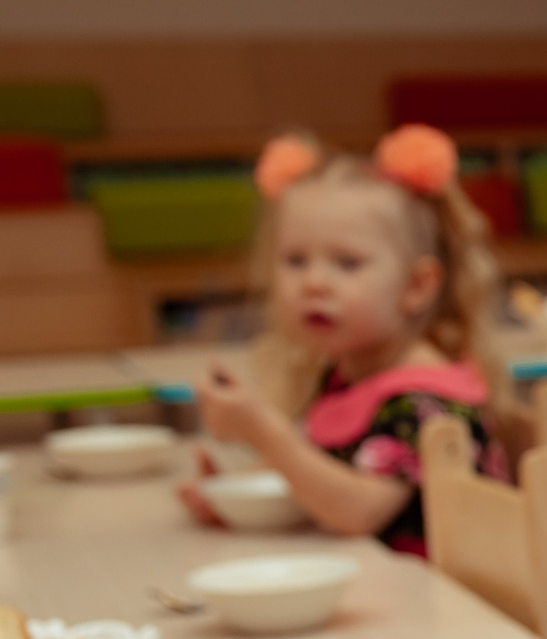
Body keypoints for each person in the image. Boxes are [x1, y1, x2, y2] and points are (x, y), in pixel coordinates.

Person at [179, 125, 511, 556]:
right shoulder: (348, 372)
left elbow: (357, 512)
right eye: (295, 260)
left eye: (347, 263)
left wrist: (264, 431)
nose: (314, 283)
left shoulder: (424, 403)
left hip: (442, 610)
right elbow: (323, 473)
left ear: (417, 286)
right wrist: (230, 496)